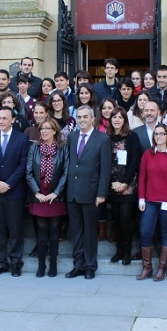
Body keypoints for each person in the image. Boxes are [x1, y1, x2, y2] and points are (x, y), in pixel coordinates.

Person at [0, 107, 30, 277]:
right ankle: (0, 262)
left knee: (15, 229)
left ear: (13, 120)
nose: (1, 121)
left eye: (5, 118)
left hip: (14, 191)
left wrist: (8, 183)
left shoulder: (22, 138)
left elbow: (23, 164)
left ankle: (16, 263)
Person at [64, 105, 111, 279]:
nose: (82, 119)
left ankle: (90, 266)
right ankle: (78, 265)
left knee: (90, 232)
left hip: (92, 194)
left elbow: (105, 170)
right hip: (73, 193)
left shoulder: (102, 139)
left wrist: (101, 194)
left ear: (93, 119)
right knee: (76, 232)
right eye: (79, 117)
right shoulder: (72, 137)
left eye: (85, 117)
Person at [136, 123, 167, 281]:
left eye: (162, 134)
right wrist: (141, 198)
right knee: (145, 232)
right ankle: (147, 267)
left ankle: (162, 268)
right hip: (150, 200)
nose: (159, 136)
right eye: (156, 134)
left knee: (165, 233)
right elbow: (142, 178)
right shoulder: (147, 155)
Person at [26, 118, 69, 277]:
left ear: (54, 131)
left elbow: (65, 172)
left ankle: (53, 263)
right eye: (42, 128)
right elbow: (29, 171)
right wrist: (36, 192)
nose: (43, 131)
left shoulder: (62, 148)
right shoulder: (34, 148)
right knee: (42, 230)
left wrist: (56, 192)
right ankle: (41, 264)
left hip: (55, 196)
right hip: (38, 195)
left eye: (47, 128)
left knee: (54, 230)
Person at [105, 107, 142, 267]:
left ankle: (127, 250)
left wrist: (125, 183)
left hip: (128, 185)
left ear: (125, 120)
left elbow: (135, 161)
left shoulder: (132, 136)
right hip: (112, 185)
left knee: (126, 218)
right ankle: (119, 250)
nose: (117, 120)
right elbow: (104, 162)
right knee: (116, 219)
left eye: (120, 117)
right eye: (114, 117)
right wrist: (112, 182)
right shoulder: (105, 138)